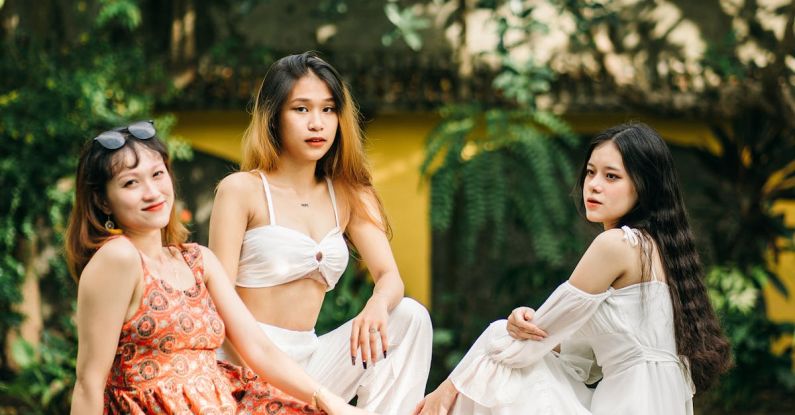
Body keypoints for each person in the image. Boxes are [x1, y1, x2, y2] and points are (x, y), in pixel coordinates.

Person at [414, 122, 732, 415]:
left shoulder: (617, 245)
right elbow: (576, 357)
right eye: (591, 172)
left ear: (644, 186)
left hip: (627, 407)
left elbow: (536, 338)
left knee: (499, 339)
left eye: (611, 176)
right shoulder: (659, 250)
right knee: (506, 342)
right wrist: (528, 322)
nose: (593, 185)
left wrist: (449, 387)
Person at [65, 121, 373, 414]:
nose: (151, 192)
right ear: (104, 202)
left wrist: (330, 401)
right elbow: (89, 383)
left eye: (157, 174)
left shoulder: (197, 261)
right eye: (130, 182)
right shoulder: (119, 258)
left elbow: (258, 349)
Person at [209, 52, 432, 415]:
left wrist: (376, 304)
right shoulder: (241, 190)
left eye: (328, 110)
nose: (317, 123)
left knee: (408, 317)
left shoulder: (349, 193)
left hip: (311, 360)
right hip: (245, 365)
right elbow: (219, 305)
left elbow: (390, 276)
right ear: (274, 117)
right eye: (301, 109)